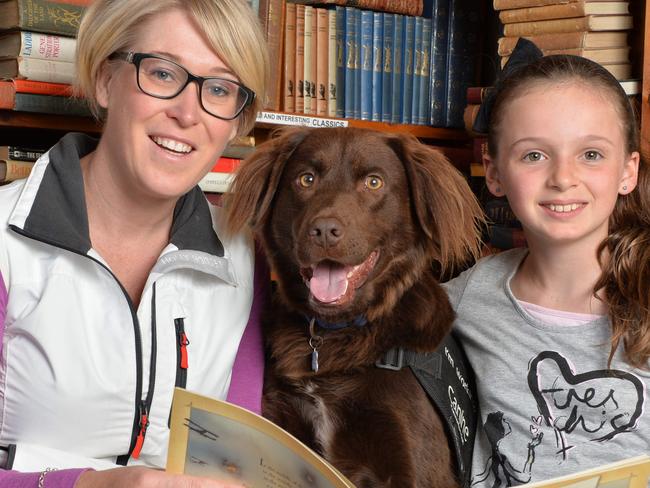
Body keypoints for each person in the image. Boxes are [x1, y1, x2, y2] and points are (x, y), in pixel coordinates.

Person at [0, 0, 269, 486]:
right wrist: (87, 485)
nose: (188, 113)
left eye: (219, 88)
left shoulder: (252, 262)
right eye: (164, 74)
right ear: (105, 81)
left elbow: (237, 467)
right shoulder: (4, 243)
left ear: (234, 119)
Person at [445, 47, 650, 486]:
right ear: (494, 172)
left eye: (591, 154)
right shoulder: (466, 298)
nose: (562, 177)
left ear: (627, 171)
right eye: (533, 156)